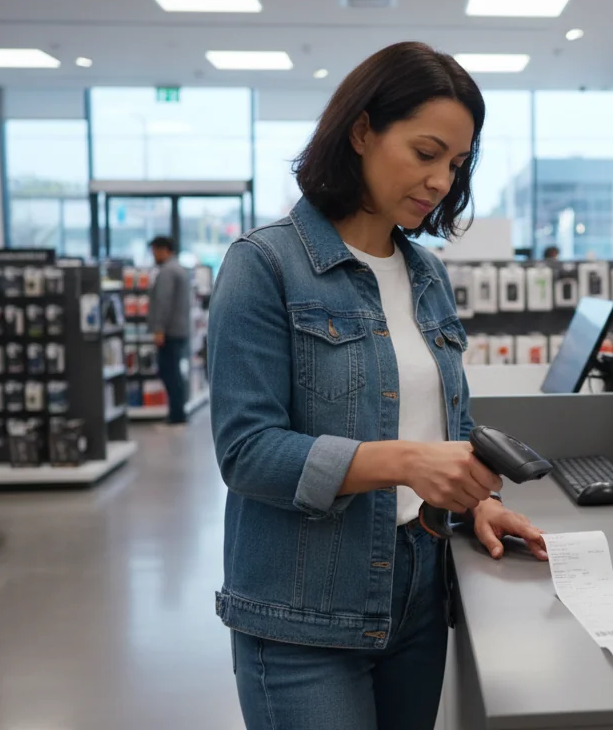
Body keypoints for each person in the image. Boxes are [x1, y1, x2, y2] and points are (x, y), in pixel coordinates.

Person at [207, 42, 548, 730]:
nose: (441, 181)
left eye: (456, 164)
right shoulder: (263, 265)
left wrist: (470, 502)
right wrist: (407, 464)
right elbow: (246, 452)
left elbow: (441, 424)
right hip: (304, 611)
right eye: (425, 153)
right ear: (362, 131)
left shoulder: (426, 275)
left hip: (419, 585)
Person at [146, 235, 191, 425]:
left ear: (164, 250)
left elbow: (163, 302)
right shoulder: (179, 269)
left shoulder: (167, 272)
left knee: (168, 372)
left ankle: (176, 414)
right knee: (174, 372)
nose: (154, 255)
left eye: (155, 250)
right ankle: (178, 411)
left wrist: (158, 329)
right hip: (180, 329)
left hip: (169, 331)